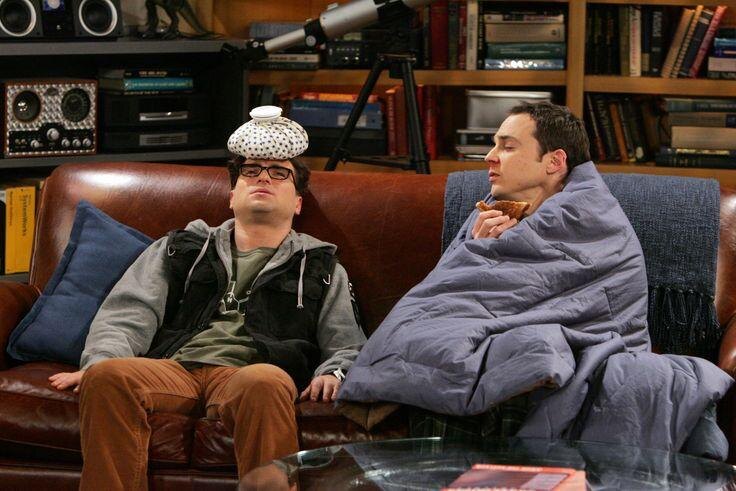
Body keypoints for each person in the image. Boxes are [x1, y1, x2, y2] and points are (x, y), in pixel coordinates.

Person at [337, 101, 732, 458]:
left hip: (579, 342)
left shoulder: (592, 219)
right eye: (493, 145)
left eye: (507, 147)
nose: (490, 156)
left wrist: (489, 252)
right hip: (505, 335)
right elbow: (452, 293)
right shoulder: (490, 214)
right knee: (435, 344)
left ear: (554, 161)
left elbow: (595, 304)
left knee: (527, 349)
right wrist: (477, 247)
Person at [48, 105, 366, 490]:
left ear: (298, 202)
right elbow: (127, 314)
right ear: (232, 196)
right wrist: (99, 360)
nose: (263, 177)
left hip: (251, 373)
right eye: (251, 171)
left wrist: (334, 372)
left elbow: (346, 342)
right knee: (107, 375)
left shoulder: (320, 265)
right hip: (175, 368)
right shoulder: (182, 247)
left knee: (265, 381)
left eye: (279, 172)